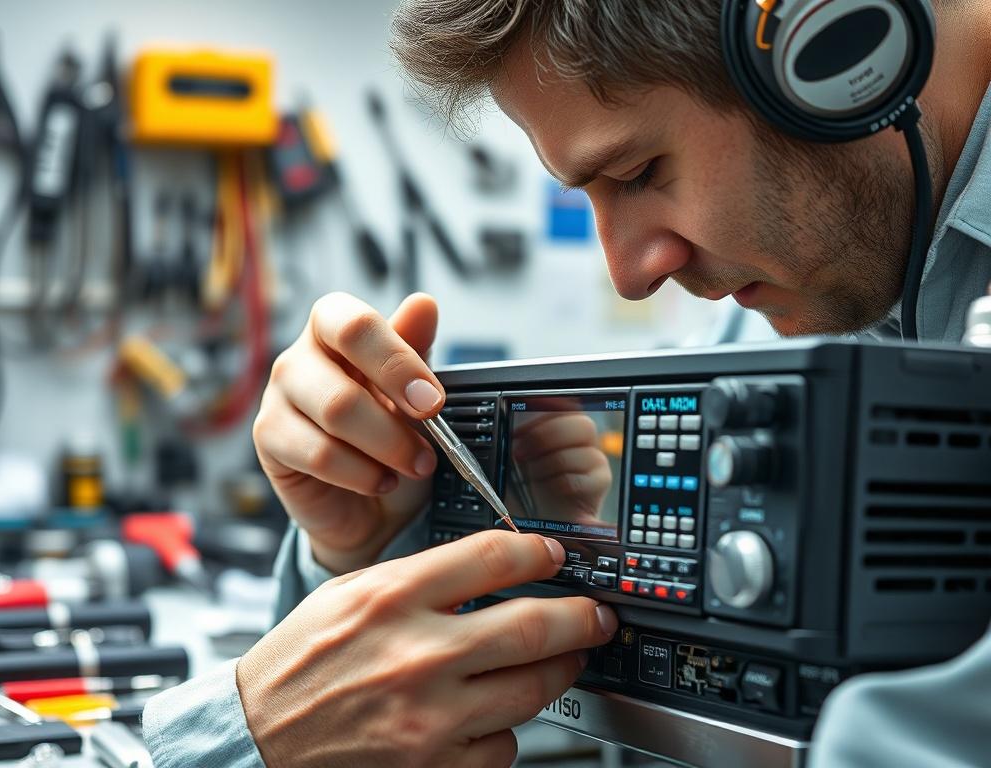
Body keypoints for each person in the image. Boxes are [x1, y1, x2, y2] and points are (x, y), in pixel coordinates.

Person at [143, 1, 991, 766]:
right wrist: (378, 547)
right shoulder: (773, 317)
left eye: (635, 173)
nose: (627, 273)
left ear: (832, 38)